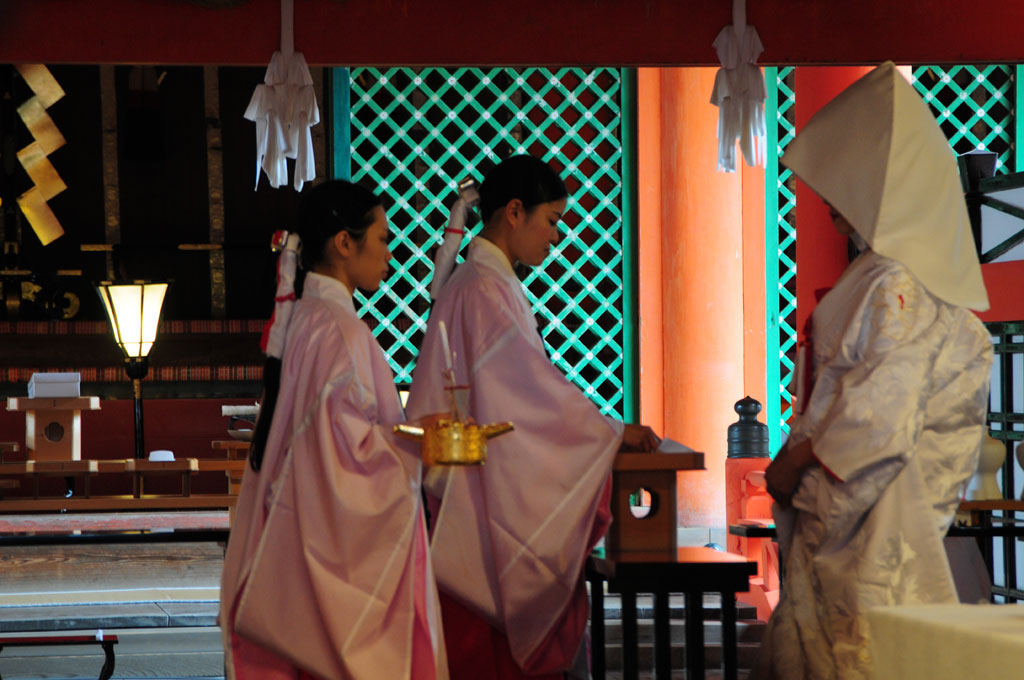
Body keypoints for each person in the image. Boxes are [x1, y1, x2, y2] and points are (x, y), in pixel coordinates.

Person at [754, 62, 994, 680]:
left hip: (869, 515)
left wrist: (799, 461)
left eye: (844, 183)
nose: (829, 197)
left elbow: (877, 419)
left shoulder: (898, 283)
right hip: (868, 511)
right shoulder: (897, 276)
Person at [406, 155, 660, 680]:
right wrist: (610, 432)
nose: (557, 236)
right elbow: (525, 395)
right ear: (514, 212)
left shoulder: (483, 282)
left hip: (462, 488)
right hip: (471, 499)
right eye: (552, 221)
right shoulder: (481, 288)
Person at [219, 180, 449, 680]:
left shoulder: (303, 320)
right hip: (318, 541)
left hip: (288, 536)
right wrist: (417, 443)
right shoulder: (339, 331)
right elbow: (344, 458)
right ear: (345, 243)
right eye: (384, 239)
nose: (391, 253)